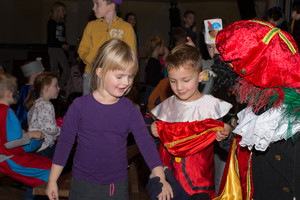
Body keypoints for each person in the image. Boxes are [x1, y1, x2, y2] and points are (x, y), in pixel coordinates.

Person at [45, 39, 173, 200]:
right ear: (99, 72)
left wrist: (160, 177)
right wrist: (52, 180)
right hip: (83, 184)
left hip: (116, 186)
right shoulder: (79, 107)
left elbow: (146, 142)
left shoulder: (129, 109)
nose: (126, 82)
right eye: (119, 76)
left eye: (130, 76)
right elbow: (64, 143)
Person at [212, 19, 300, 200]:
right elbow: (248, 157)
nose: (231, 89)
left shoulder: (290, 124)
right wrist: (230, 137)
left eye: (235, 81)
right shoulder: (256, 111)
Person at [149, 44, 233, 199]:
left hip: (199, 187)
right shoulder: (166, 108)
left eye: (186, 80)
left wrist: (226, 135)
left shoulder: (212, 107)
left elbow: (231, 148)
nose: (179, 87)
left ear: (200, 76)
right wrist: (154, 134)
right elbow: (154, 149)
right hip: (169, 186)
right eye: (173, 81)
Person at [0, 73, 51, 200]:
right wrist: (32, 134)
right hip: (8, 159)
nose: (18, 91)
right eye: (16, 90)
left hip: (6, 156)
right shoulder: (6, 112)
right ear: (8, 93)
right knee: (51, 171)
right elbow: (10, 143)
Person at [78, 0, 136, 95]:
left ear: (111, 6)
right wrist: (90, 59)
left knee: (111, 107)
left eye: (97, 4)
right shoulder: (91, 26)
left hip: (115, 78)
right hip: (91, 74)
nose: (93, 8)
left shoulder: (126, 28)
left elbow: (131, 57)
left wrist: (128, 76)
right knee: (89, 107)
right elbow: (82, 49)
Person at [24, 72, 60, 159]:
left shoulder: (34, 103)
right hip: (46, 148)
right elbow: (50, 129)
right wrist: (61, 129)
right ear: (46, 88)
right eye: (55, 85)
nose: (59, 88)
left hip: (36, 148)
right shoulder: (47, 105)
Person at [47, 2, 70, 91]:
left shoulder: (61, 24)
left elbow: (63, 37)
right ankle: (54, 87)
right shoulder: (51, 23)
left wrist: (65, 44)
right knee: (55, 69)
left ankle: (57, 87)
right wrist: (61, 45)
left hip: (60, 47)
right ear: (57, 11)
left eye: (65, 11)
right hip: (53, 47)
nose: (64, 13)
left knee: (64, 69)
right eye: (62, 10)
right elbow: (51, 38)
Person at [16, 59, 45, 129]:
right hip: (27, 124)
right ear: (35, 75)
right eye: (42, 74)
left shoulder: (24, 87)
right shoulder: (32, 89)